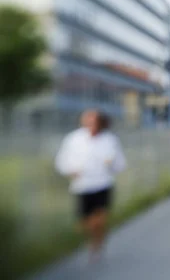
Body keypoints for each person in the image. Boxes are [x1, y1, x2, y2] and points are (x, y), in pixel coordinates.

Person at [55, 110, 127, 263]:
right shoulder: (74, 139)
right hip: (82, 186)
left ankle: (97, 245)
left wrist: (111, 164)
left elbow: (120, 164)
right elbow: (62, 160)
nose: (91, 125)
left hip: (102, 183)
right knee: (84, 223)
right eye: (88, 121)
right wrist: (70, 171)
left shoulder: (109, 140)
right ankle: (92, 241)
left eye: (94, 121)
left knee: (99, 219)